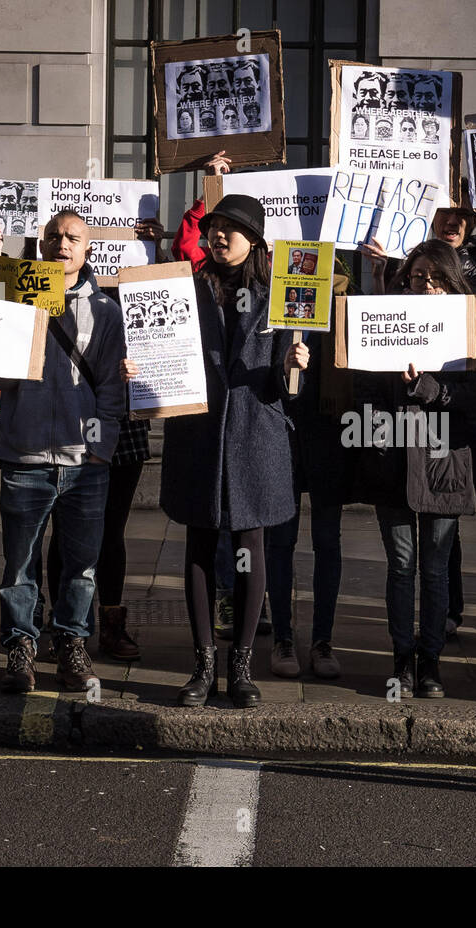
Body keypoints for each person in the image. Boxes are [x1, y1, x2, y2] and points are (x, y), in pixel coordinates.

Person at [146, 194, 305, 708]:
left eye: (230, 229)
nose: (218, 235)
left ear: (254, 240)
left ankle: (241, 667)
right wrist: (142, 372)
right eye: (214, 227)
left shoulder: (280, 296)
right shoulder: (186, 291)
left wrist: (294, 365)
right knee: (197, 542)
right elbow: (161, 353)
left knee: (250, 547)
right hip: (199, 435)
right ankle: (202, 664)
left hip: (256, 438)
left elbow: (289, 388)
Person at [0, 210, 125, 695]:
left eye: (73, 237)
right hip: (24, 456)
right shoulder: (14, 300)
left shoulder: (107, 312)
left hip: (84, 462)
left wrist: (101, 448)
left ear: (88, 249)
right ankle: (20, 649)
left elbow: (111, 387)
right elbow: (2, 380)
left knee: (81, 565)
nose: (62, 243)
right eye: (54, 236)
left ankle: (71, 645)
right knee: (19, 566)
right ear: (42, 244)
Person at [353, 239, 476, 698]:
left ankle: (432, 663)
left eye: (434, 278)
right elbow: (362, 386)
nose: (424, 285)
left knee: (436, 569)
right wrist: (378, 436)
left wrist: (432, 390)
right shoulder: (386, 320)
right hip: (394, 463)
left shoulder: (465, 326)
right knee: (402, 565)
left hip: (443, 461)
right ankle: (401, 659)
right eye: (417, 276)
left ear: (450, 283)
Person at [266, 261, 355, 681]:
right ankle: (283, 638)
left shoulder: (347, 303)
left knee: (327, 541)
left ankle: (323, 641)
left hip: (330, 438)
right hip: (281, 435)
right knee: (280, 540)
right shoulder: (270, 297)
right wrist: (285, 366)